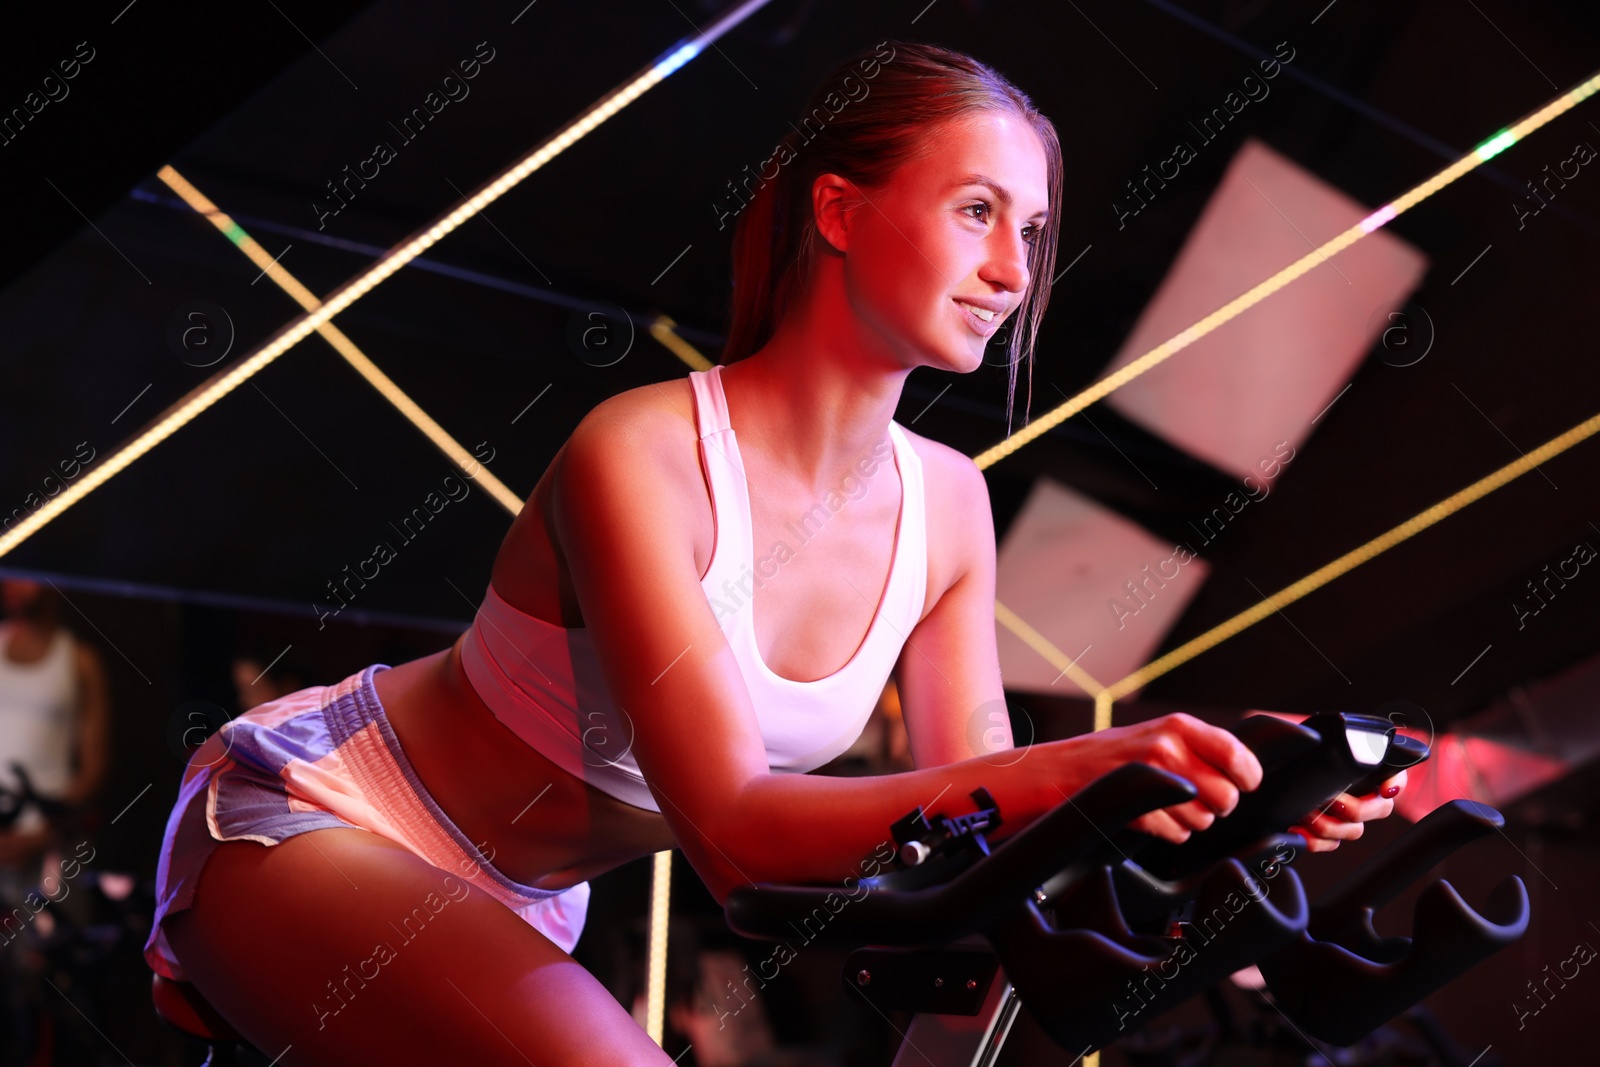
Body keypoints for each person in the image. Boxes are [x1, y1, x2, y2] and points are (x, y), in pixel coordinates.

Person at [144, 40, 1406, 1065]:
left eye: (1030, 228)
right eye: (977, 211)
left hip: (515, 902)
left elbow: (979, 822)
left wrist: (1234, 804)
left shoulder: (951, 505)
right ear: (840, 209)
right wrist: (1098, 759)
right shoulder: (636, 454)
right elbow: (737, 833)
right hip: (319, 818)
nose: (1014, 267)